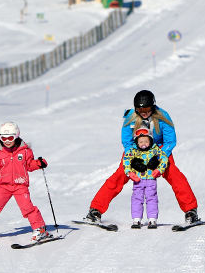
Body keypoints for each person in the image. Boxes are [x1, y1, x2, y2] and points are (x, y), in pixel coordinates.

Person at [84, 90, 199, 224]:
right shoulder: (131, 117)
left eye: (147, 109)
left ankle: (190, 210)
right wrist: (133, 157)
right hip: (136, 151)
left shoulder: (162, 117)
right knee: (120, 175)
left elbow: (170, 141)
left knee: (174, 174)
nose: (144, 112)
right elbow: (127, 142)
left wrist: (158, 157)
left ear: (153, 106)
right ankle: (95, 210)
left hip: (159, 150)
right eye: (140, 109)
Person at [0, 122, 51, 242]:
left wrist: (39, 164)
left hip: (20, 185)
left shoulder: (25, 151)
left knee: (27, 207)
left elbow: (29, 165)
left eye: (10, 138)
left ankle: (40, 230)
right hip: (4, 186)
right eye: (3, 138)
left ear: (17, 136)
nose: (7, 141)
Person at [123, 127, 168, 229]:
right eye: (141, 141)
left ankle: (152, 219)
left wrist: (159, 170)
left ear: (150, 141)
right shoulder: (133, 150)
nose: (143, 144)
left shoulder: (154, 149)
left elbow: (164, 158)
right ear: (137, 142)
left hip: (151, 179)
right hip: (138, 180)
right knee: (136, 199)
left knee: (151, 198)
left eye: (146, 141)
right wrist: (129, 172)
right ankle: (136, 219)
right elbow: (126, 160)